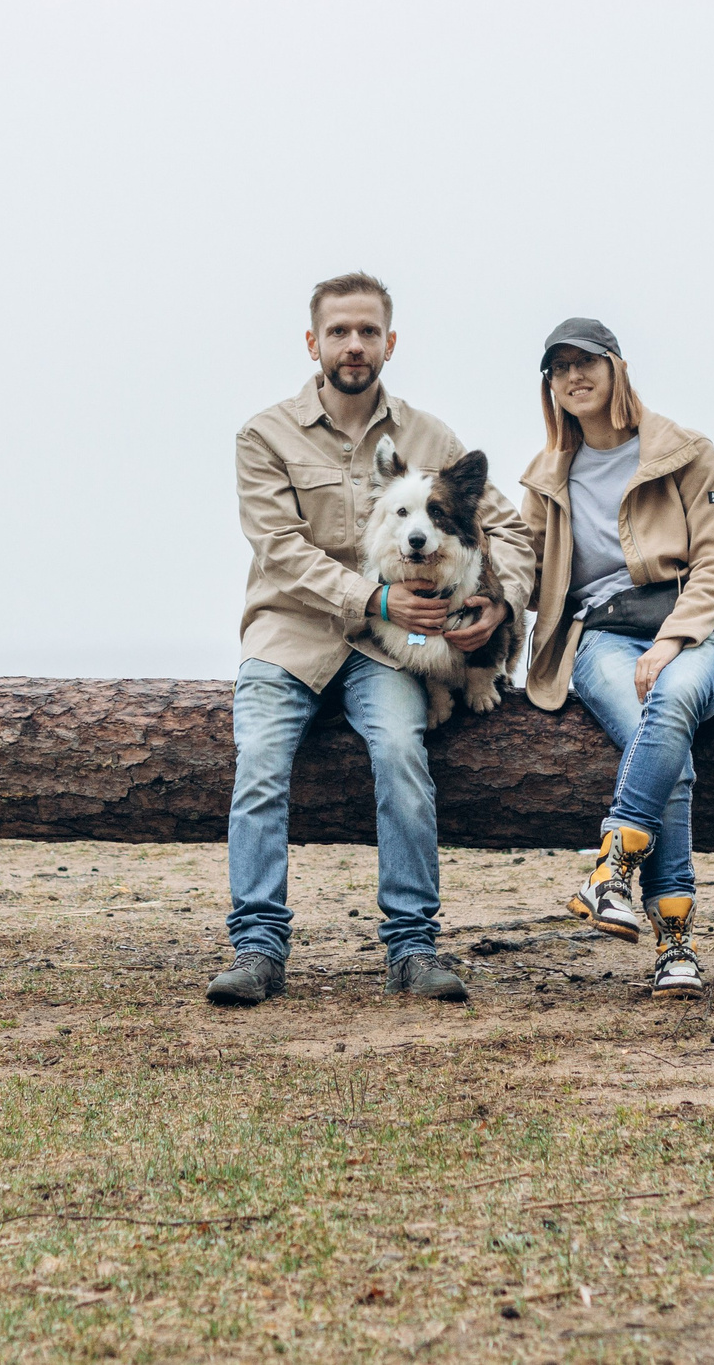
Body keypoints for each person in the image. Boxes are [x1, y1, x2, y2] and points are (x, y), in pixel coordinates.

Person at [208, 272, 534, 1007]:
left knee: (400, 751)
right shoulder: (265, 435)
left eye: (367, 331)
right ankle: (258, 945)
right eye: (338, 331)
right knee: (260, 759)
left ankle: (413, 946)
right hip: (291, 635)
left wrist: (498, 601)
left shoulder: (431, 436)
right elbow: (279, 548)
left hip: (390, 648)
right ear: (312, 341)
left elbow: (507, 528)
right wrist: (374, 596)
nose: (353, 345)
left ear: (389, 341)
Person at [517, 318, 714, 999]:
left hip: (704, 634)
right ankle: (675, 947)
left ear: (616, 367)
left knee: (669, 700)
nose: (572, 376)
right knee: (665, 739)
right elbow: (522, 574)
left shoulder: (683, 450)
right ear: (549, 387)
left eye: (585, 361)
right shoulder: (544, 478)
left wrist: (674, 638)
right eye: (557, 367)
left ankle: (611, 865)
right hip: (600, 640)